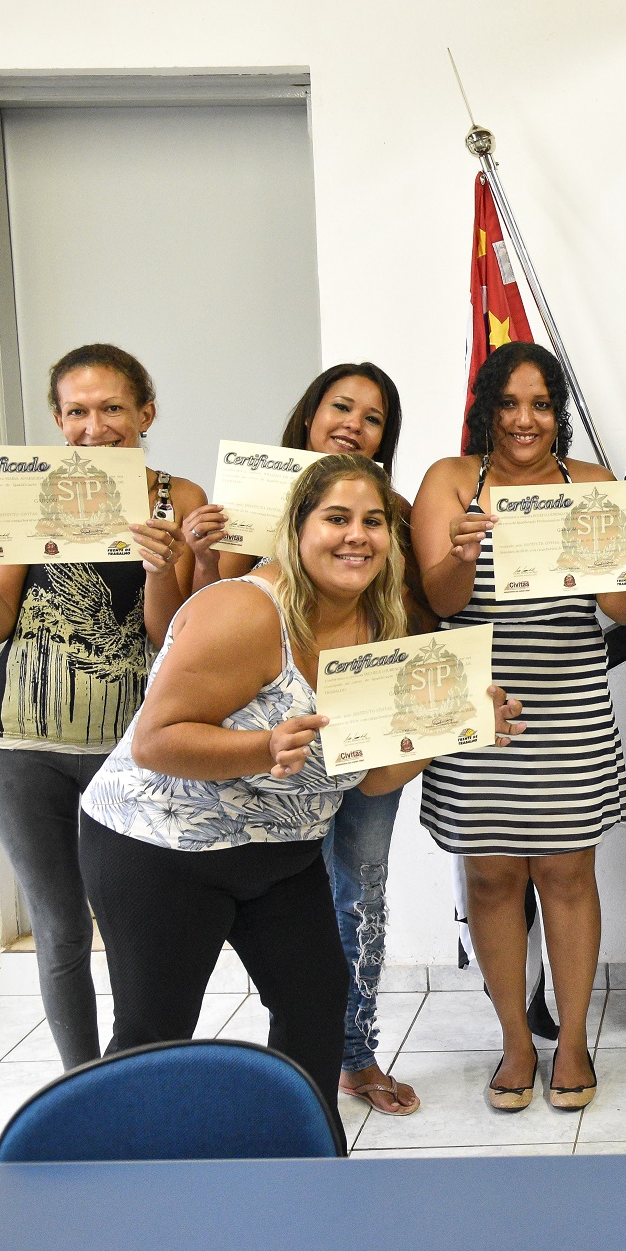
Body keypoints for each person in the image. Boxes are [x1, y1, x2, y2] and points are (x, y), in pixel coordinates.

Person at [78, 454, 522, 1112]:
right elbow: (155, 740)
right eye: (336, 517)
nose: (357, 534)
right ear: (296, 527)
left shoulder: (384, 627)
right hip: (162, 847)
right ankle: (118, 1191)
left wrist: (454, 728)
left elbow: (371, 780)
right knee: (154, 1033)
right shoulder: (241, 611)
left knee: (316, 1007)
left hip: (282, 847)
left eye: (373, 521)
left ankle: (312, 1166)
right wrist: (261, 745)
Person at [412, 341, 626, 1112]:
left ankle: (569, 1041)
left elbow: (623, 613)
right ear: (487, 409)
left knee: (567, 876)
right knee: (492, 877)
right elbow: (438, 602)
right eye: (509, 403)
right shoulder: (448, 482)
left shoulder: (592, 484)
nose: (525, 419)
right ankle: (512, 1042)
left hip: (568, 706)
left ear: (556, 412)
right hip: (477, 713)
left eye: (540, 404)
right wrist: (463, 549)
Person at [0, 343, 199, 1071]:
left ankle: (140, 1066)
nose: (94, 426)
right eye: (76, 411)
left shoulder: (181, 498)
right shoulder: (28, 493)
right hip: (20, 750)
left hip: (127, 751)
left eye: (112, 407)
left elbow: (167, 635)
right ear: (57, 418)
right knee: (60, 927)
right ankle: (81, 1082)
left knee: (138, 924)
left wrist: (161, 563)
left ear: (146, 411)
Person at [181, 362, 428, 1116]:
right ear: (309, 414)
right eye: (341, 406)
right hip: (275, 742)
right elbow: (196, 623)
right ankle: (297, 1060)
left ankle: (352, 1054)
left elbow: (412, 608)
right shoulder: (249, 502)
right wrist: (196, 550)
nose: (355, 422)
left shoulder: (397, 511)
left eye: (375, 417)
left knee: (361, 895)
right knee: (285, 912)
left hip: (368, 727)